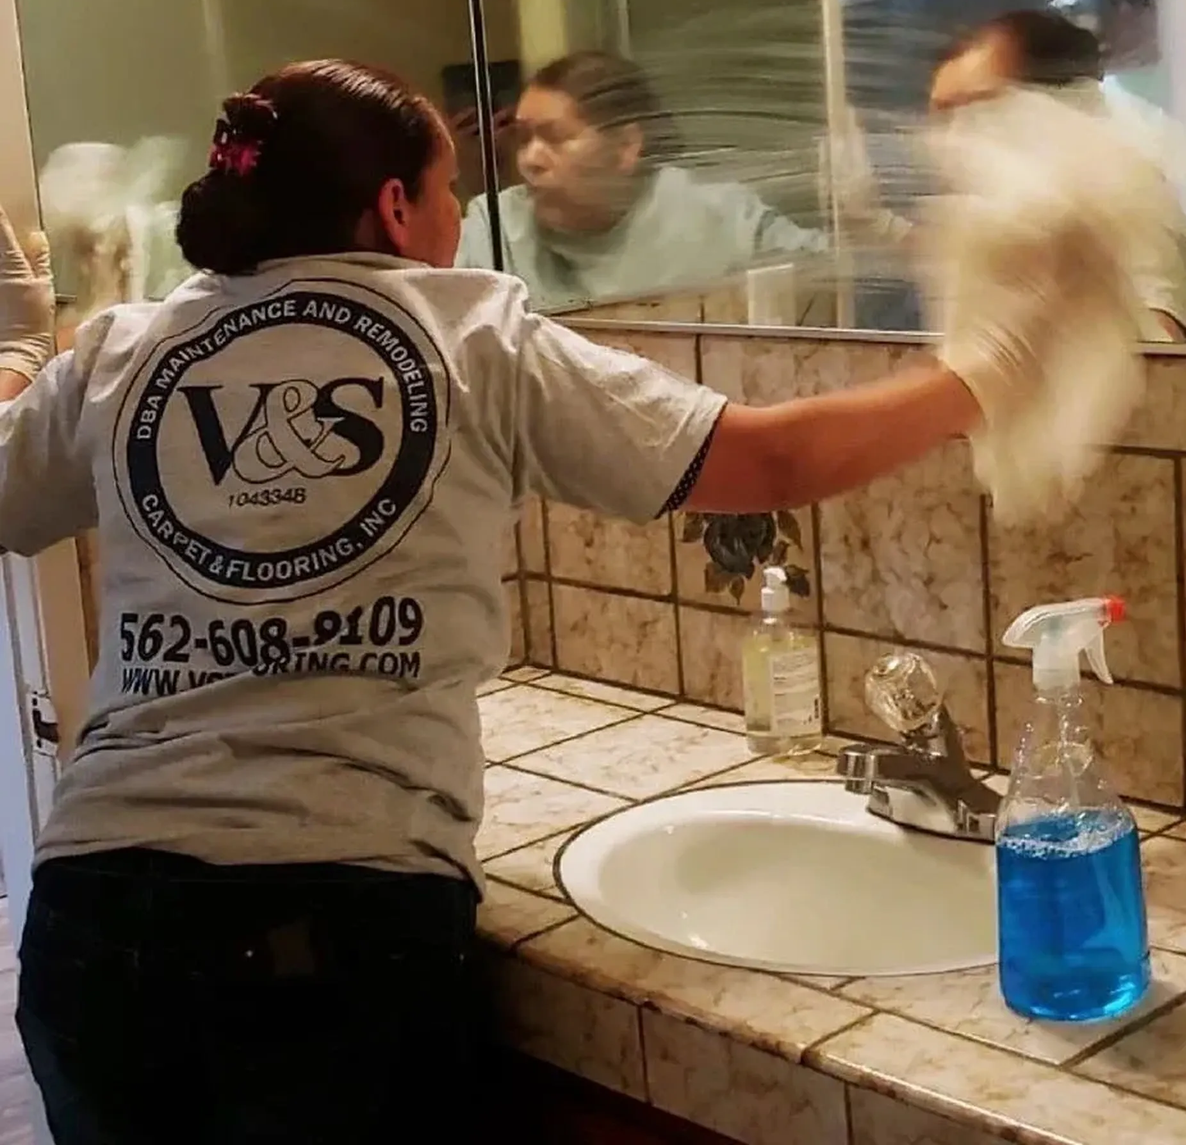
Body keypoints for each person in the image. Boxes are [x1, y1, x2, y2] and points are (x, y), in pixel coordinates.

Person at [0, 57, 1082, 1145]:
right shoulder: (472, 333)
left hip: (93, 921)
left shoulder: (122, 349)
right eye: (451, 187)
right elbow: (768, 461)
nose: (466, 210)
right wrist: (987, 371)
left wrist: (14, 351)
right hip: (331, 925)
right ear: (394, 206)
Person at [840, 7, 1186, 344]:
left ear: (1051, 111)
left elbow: (1168, 370)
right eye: (942, 117)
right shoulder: (1021, 214)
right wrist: (873, 222)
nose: (951, 138)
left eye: (975, 109)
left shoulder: (1131, 204)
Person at [454, 50, 829, 311]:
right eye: (523, 139)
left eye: (554, 137)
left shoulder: (721, 219)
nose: (529, 160)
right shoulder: (494, 229)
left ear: (626, 146)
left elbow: (841, 285)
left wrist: (873, 221)